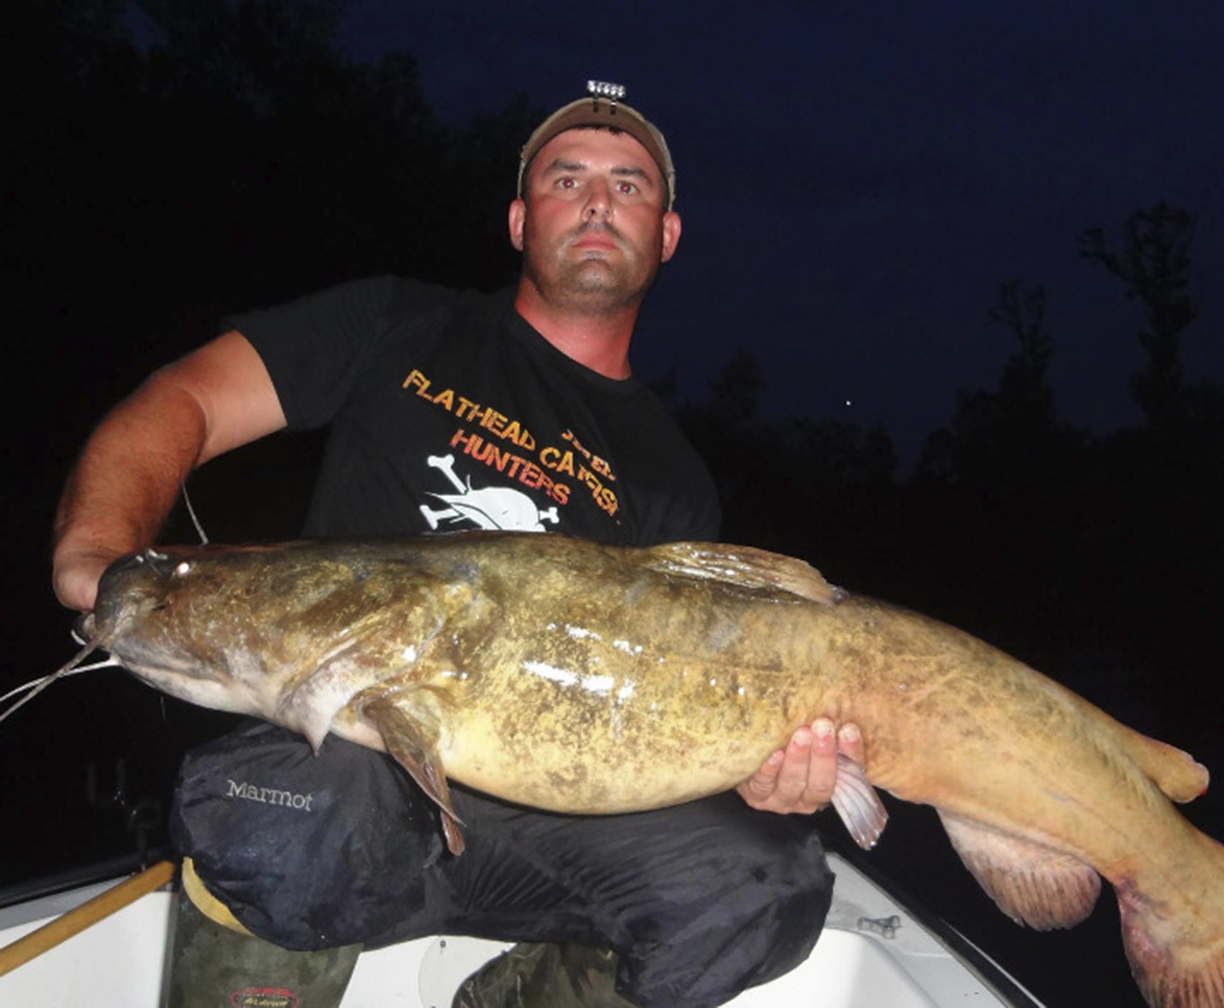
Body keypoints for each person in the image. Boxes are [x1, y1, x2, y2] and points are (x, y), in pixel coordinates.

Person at [52, 83, 866, 1008]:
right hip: (348, 778)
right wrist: (101, 548)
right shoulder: (398, 323)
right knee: (277, 818)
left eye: (629, 185)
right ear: (521, 219)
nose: (599, 199)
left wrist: (763, 771)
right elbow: (184, 401)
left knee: (765, 889)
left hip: (548, 830)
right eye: (569, 178)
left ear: (668, 235)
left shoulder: (672, 476)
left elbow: (676, 709)